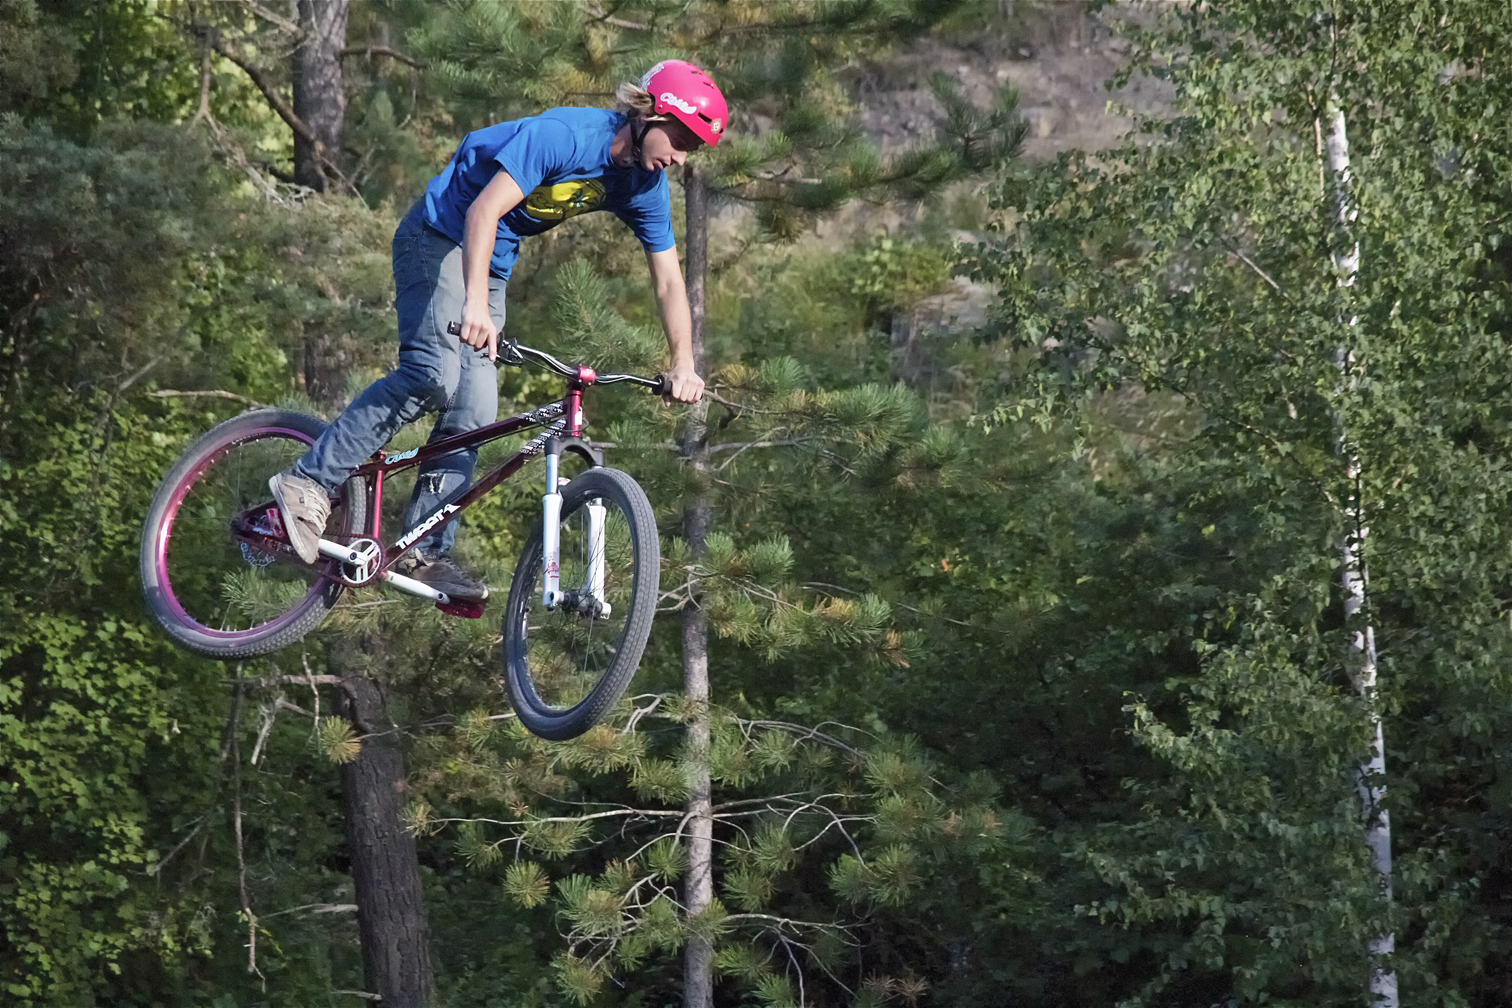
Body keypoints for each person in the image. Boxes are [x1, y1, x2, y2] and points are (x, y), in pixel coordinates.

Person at [269, 60, 725, 603]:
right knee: (432, 375)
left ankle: (426, 548)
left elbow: (670, 280)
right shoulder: (564, 136)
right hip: (439, 236)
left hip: (490, 264)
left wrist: (684, 363)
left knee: (474, 413)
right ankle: (308, 481)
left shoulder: (643, 186)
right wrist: (478, 306)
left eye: (692, 149)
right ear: (649, 113)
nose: (679, 156)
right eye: (680, 138)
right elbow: (483, 211)